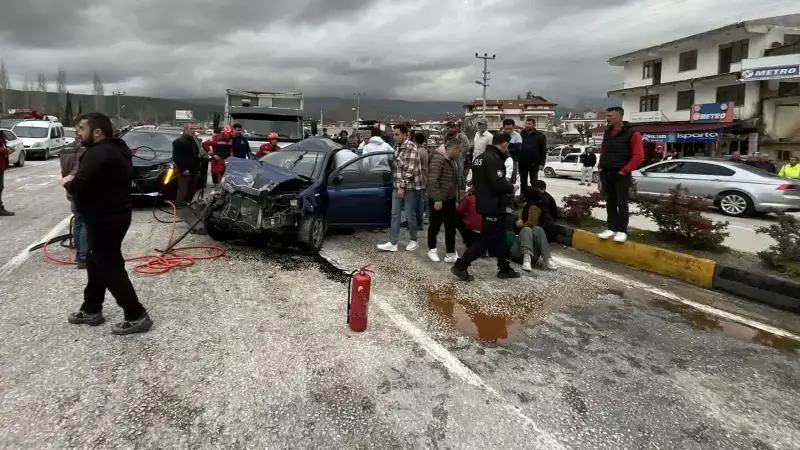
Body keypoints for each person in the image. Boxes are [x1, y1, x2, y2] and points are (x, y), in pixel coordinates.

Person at [62, 113, 153, 335]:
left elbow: (81, 185)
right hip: (113, 215)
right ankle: (92, 308)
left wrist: (68, 183)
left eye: (82, 128)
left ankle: (136, 314)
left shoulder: (98, 152)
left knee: (109, 266)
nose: (79, 133)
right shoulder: (118, 148)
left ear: (97, 132)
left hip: (104, 218)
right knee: (95, 260)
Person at [451, 132, 518, 281]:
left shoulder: (479, 158)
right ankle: (461, 265)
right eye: (507, 145)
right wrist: (511, 188)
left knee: (500, 237)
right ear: (504, 144)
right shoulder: (494, 159)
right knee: (486, 240)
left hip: (485, 203)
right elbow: (497, 182)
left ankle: (504, 268)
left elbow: (477, 181)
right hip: (493, 205)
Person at [597, 106, 644, 243]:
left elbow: (638, 156)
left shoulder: (632, 134)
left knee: (621, 203)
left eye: (610, 116)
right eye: (607, 115)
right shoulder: (607, 133)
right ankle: (611, 228)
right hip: (606, 172)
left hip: (621, 174)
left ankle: (622, 230)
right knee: (610, 202)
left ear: (619, 116)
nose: (607, 118)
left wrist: (624, 170)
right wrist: (600, 168)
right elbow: (604, 152)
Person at [378, 124, 421, 252]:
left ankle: (414, 240)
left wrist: (402, 186)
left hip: (409, 187)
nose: (395, 137)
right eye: (394, 134)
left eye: (397, 134)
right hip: (397, 186)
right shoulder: (397, 146)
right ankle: (393, 242)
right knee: (395, 214)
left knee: (409, 215)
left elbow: (410, 169)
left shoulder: (411, 147)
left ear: (405, 134)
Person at [427, 139, 463, 263]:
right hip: (438, 199)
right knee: (435, 226)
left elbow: (454, 181)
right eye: (459, 150)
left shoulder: (452, 160)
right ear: (453, 149)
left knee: (450, 226)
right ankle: (432, 249)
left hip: (450, 199)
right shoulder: (438, 159)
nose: (460, 153)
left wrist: (456, 198)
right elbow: (432, 180)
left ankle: (450, 252)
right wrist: (437, 198)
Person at [510, 187, 559, 271]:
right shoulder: (541, 205)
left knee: (532, 229)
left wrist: (519, 225)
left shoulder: (533, 207)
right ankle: (530, 258)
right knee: (529, 229)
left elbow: (531, 223)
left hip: (525, 253)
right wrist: (520, 217)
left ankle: (546, 258)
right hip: (522, 254)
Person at [59, 138, 89, 268]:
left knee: (78, 222)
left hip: (71, 188)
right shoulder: (87, 150)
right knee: (85, 223)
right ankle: (83, 257)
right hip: (83, 189)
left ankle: (79, 254)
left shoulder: (65, 149)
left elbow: (64, 170)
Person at [172, 123, 202, 205]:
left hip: (193, 170)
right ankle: (179, 208)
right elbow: (176, 157)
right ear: (185, 130)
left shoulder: (193, 141)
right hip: (184, 171)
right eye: (191, 129)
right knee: (183, 191)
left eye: (194, 129)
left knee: (191, 191)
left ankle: (187, 208)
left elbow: (194, 155)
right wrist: (183, 169)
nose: (193, 131)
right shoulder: (179, 142)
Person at [519, 118, 547, 190]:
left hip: (534, 163)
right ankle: (523, 197)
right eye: (527, 124)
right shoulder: (521, 134)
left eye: (529, 124)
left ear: (534, 125)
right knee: (523, 181)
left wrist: (542, 163)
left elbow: (543, 150)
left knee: (534, 182)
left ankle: (534, 197)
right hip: (523, 163)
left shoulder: (540, 136)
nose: (527, 125)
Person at [414, 132, 429, 230]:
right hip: (424, 178)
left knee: (418, 201)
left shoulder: (418, 151)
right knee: (421, 200)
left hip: (419, 179)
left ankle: (418, 222)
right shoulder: (424, 150)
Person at [0, 130, 15, 216]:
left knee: (0, 187)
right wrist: (5, 150)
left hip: (1, 165)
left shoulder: (1, 134)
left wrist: (8, 148)